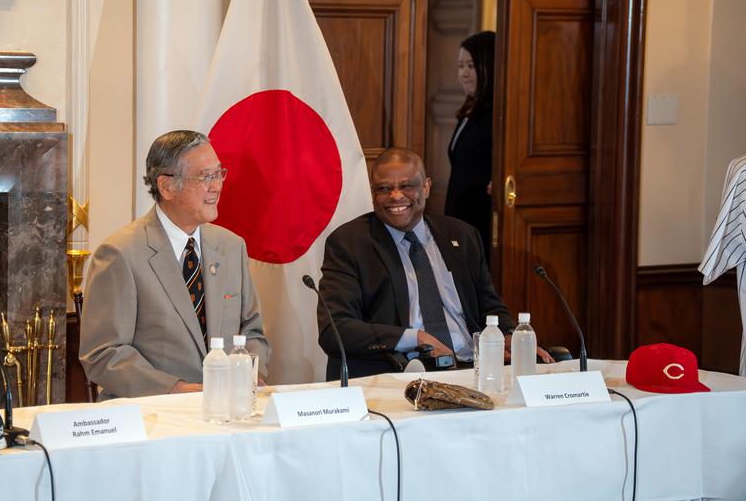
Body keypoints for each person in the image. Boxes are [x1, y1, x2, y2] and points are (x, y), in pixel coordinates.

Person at [317, 147, 552, 379]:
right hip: (404, 373)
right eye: (383, 188)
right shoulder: (349, 243)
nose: (396, 196)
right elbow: (335, 329)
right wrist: (414, 337)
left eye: (406, 186)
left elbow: (490, 307)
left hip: (473, 368)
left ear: (426, 187)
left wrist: (510, 336)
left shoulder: (462, 235)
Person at [80, 130, 270, 398]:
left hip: (226, 409)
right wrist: (173, 389)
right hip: (152, 415)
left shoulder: (231, 246)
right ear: (166, 186)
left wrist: (251, 373)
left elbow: (252, 330)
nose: (216, 186)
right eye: (205, 177)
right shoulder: (119, 254)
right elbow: (103, 353)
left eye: (218, 174)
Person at [445, 31, 495, 261]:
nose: (464, 73)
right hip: (460, 217)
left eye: (471, 66)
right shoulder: (469, 112)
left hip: (481, 223)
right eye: (460, 66)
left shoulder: (496, 116)